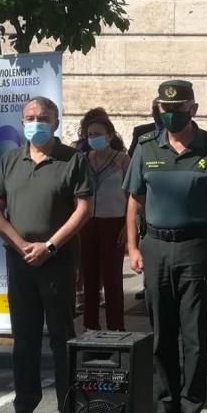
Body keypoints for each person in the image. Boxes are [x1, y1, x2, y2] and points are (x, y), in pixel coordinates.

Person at [124, 80, 207, 413]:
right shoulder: (145, 147)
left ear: (193, 108)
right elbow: (134, 202)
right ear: (158, 109)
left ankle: (192, 406)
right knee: (161, 333)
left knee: (194, 334)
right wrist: (132, 246)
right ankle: (167, 404)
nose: (171, 114)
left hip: (198, 247)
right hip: (156, 247)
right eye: (165, 108)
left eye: (178, 108)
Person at [0, 97, 92, 413]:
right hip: (19, 262)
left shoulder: (73, 160)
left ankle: (67, 411)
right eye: (30, 117)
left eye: (43, 117)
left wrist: (49, 246)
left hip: (56, 261)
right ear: (22, 121)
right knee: (25, 339)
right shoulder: (10, 160)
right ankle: (23, 410)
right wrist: (21, 245)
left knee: (61, 337)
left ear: (56, 120)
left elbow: (83, 209)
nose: (36, 122)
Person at [76, 108, 129, 331]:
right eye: (90, 135)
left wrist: (128, 227)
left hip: (114, 222)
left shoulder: (122, 160)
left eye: (98, 134)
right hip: (87, 224)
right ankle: (90, 326)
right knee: (89, 278)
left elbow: (132, 196)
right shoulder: (82, 159)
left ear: (109, 136)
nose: (93, 138)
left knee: (113, 278)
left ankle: (116, 327)